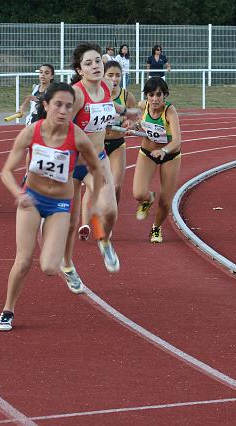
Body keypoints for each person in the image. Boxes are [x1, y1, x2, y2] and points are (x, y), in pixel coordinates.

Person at [0, 83, 103, 331]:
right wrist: (18, 193)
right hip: (31, 199)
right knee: (23, 261)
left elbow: (96, 168)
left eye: (69, 106)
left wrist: (94, 194)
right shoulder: (32, 132)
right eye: (58, 105)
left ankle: (53, 239)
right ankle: (7, 310)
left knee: (49, 268)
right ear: (46, 105)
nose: (64, 111)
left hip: (60, 204)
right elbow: (7, 171)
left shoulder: (78, 137)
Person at [61, 42, 140, 294]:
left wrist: (127, 111)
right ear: (79, 69)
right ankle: (67, 266)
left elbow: (109, 108)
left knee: (110, 211)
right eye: (88, 63)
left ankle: (104, 240)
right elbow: (60, 126)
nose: (95, 66)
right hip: (72, 162)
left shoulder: (105, 87)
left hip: (98, 157)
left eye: (98, 61)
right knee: (71, 222)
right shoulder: (76, 94)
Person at [78, 60, 137, 240]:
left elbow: (134, 117)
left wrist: (130, 123)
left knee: (116, 186)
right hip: (99, 145)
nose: (114, 79)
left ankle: (108, 220)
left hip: (117, 144)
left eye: (117, 75)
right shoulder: (97, 94)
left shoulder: (126, 95)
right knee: (92, 188)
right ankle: (85, 225)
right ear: (103, 76)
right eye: (110, 75)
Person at [132, 77, 182, 243]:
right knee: (138, 193)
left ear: (165, 95)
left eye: (158, 94)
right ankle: (148, 199)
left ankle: (156, 228)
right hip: (147, 151)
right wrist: (133, 126)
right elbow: (137, 122)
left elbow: (177, 141)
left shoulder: (170, 111)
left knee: (165, 201)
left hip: (170, 155)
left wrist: (164, 150)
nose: (155, 99)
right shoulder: (142, 106)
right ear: (146, 96)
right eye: (151, 94)